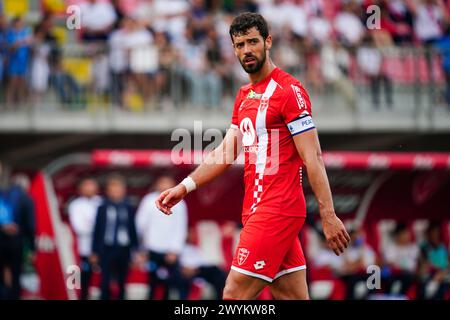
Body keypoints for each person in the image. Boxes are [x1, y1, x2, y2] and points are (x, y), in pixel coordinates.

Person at [156, 12, 350, 300]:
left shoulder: (290, 91)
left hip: (277, 210)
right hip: (257, 211)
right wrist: (184, 187)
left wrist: (328, 214)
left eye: (252, 42)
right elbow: (226, 151)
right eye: (239, 45)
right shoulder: (244, 94)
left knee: (233, 295)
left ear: (267, 41)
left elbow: (314, 157)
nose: (246, 50)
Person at [135, 175, 188, 300]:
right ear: (157, 184)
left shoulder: (179, 202)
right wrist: (141, 248)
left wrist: (175, 250)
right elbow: (140, 224)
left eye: (168, 183)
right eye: (162, 183)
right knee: (152, 282)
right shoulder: (148, 200)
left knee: (169, 284)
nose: (164, 186)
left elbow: (181, 227)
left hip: (170, 250)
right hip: (152, 248)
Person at [91, 174, 138, 300]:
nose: (116, 192)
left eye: (118, 188)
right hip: (107, 247)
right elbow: (97, 230)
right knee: (105, 280)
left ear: (124, 190)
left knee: (122, 280)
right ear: (108, 191)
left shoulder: (128, 207)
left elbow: (133, 229)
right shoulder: (102, 207)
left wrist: (136, 249)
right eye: (113, 188)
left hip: (124, 248)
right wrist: (94, 250)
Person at [0, 163, 35, 300]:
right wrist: (32, 247)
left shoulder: (7, 195)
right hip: (16, 241)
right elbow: (30, 226)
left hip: (6, 240)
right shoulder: (25, 198)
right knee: (15, 274)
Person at [68, 178, 102, 300]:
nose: (89, 190)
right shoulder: (76, 205)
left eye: (92, 186)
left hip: (101, 247)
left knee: (102, 279)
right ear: (81, 189)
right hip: (83, 248)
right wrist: (96, 228)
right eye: (86, 186)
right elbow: (79, 227)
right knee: (83, 278)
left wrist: (95, 227)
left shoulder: (101, 203)